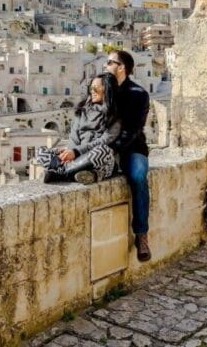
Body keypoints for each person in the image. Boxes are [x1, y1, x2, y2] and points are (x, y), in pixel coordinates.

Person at [105, 50, 152, 262]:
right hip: (105, 147)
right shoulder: (104, 90)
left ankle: (141, 234)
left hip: (132, 148)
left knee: (139, 177)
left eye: (110, 62)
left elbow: (133, 129)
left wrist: (113, 149)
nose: (106, 66)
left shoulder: (138, 94)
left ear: (121, 67)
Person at [37, 73, 121, 185]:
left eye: (96, 87)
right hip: (76, 158)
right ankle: (73, 172)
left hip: (98, 159)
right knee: (41, 151)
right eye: (91, 87)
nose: (92, 90)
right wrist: (70, 152)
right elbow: (73, 137)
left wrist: (76, 152)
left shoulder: (116, 115)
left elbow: (105, 140)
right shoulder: (82, 110)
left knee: (103, 150)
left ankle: (62, 173)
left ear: (108, 89)